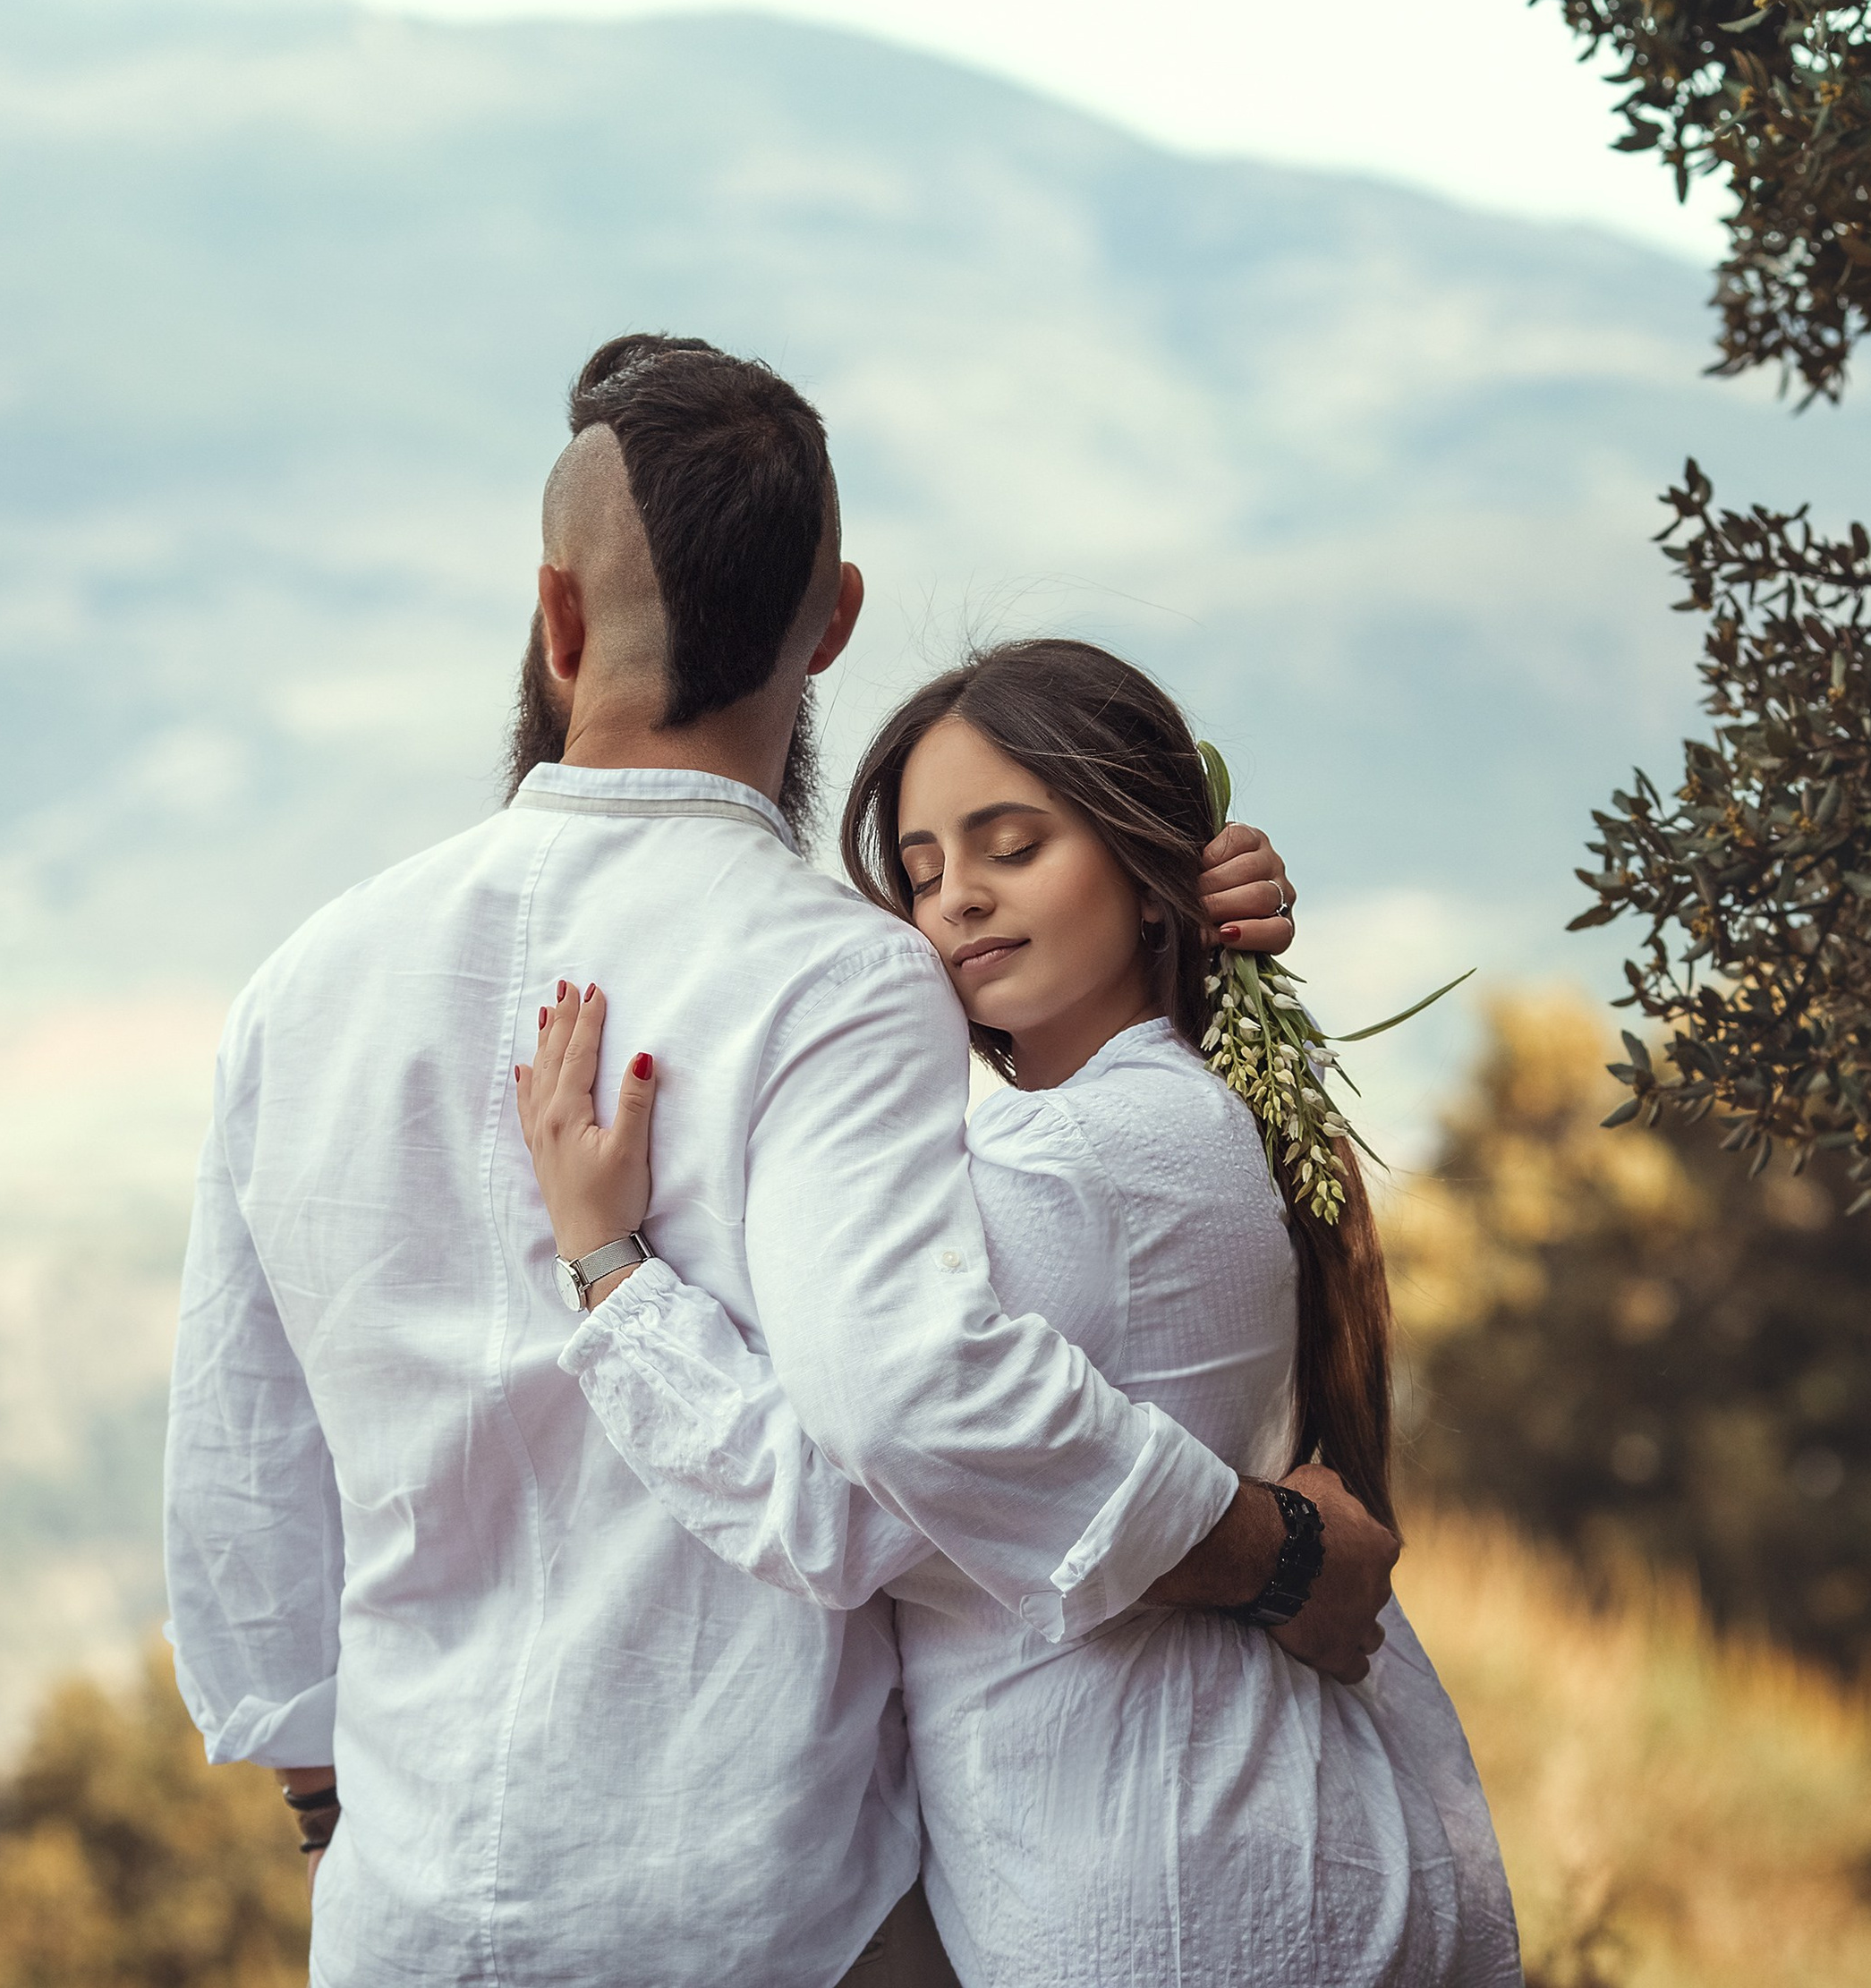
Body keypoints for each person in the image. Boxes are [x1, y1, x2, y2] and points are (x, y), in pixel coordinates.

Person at [162, 336, 1399, 1988]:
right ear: (835, 623)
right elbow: (912, 1408)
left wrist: (345, 1826)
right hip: (761, 1908)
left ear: (558, 618)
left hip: (401, 1915)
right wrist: (1274, 1556)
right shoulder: (837, 976)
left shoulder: (300, 986)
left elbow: (242, 1478)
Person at [514, 638, 1522, 1988]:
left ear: (1143, 865)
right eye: (923, 874)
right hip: (1238, 1849)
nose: (957, 905)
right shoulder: (1178, 1117)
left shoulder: (1073, 1163)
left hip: (1162, 1892)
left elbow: (834, 1506)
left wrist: (610, 1270)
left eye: (1012, 847)